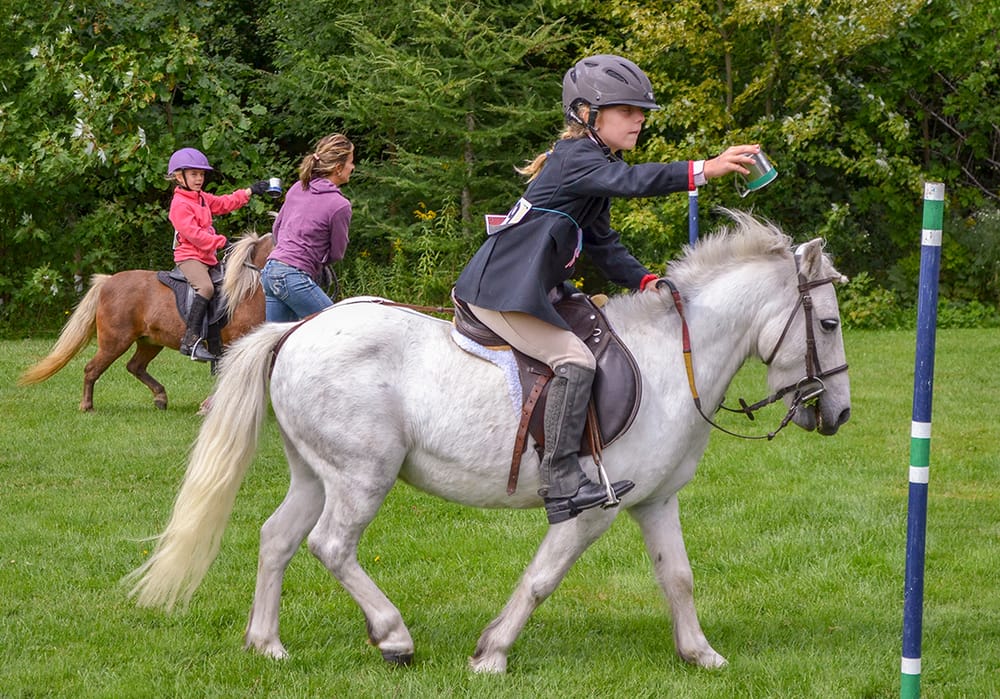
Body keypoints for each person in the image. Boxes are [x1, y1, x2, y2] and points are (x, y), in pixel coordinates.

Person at [453, 54, 762, 525]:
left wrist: (644, 279)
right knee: (575, 361)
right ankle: (560, 481)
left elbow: (602, 243)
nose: (639, 119)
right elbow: (633, 182)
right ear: (586, 114)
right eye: (626, 110)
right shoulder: (577, 158)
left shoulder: (595, 165)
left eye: (641, 111)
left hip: (529, 287)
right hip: (498, 292)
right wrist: (706, 169)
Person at [167, 147, 269, 361]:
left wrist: (250, 191)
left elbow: (224, 203)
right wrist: (221, 241)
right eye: (194, 174)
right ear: (179, 176)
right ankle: (190, 339)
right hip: (189, 256)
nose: (199, 179)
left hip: (207, 257)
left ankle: (215, 342)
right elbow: (193, 234)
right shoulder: (179, 204)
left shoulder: (200, 198)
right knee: (205, 287)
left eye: (202, 174)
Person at [261, 133, 354, 322]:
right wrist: (314, 261)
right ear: (338, 168)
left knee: (278, 344)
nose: (353, 167)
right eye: (351, 162)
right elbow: (336, 253)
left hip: (271, 271)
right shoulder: (340, 205)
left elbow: (277, 229)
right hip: (293, 277)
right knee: (339, 326)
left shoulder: (298, 187)